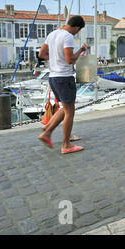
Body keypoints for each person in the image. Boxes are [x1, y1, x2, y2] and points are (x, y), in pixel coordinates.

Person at [37, 15, 88, 154]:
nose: (76, 33)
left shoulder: (52, 34)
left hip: (53, 76)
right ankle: (66, 145)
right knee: (70, 112)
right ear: (77, 28)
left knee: (66, 108)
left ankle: (47, 131)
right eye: (78, 31)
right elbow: (69, 60)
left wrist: (54, 59)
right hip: (64, 77)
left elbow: (42, 53)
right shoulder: (68, 36)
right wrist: (80, 51)